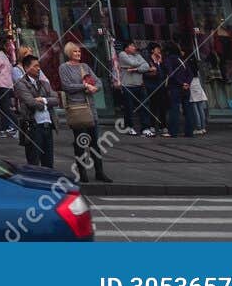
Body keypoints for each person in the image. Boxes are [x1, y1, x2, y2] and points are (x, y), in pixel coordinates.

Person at [58, 41, 112, 183]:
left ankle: (99, 172)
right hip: (77, 108)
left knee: (95, 142)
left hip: (90, 108)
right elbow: (67, 86)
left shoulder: (85, 66)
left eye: (79, 52)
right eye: (75, 52)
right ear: (69, 53)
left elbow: (98, 82)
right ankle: (82, 172)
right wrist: (85, 86)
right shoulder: (64, 68)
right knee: (81, 142)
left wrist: (95, 88)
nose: (78, 54)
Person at [12, 54, 56, 169]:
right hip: (33, 126)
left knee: (49, 162)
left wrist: (43, 100)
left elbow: (56, 100)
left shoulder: (44, 83)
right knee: (34, 162)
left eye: (39, 65)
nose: (38, 68)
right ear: (26, 68)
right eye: (35, 66)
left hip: (48, 125)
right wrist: (46, 104)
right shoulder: (21, 83)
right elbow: (30, 102)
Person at [162, 42, 195, 138]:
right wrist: (187, 83)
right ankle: (189, 132)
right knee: (188, 109)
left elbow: (171, 74)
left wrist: (181, 83)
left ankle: (173, 131)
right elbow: (191, 73)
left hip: (175, 87)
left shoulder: (168, 59)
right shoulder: (182, 59)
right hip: (186, 88)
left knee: (174, 109)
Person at [117, 41, 150, 134]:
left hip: (139, 85)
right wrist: (139, 64)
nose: (134, 47)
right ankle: (129, 127)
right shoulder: (122, 54)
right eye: (131, 45)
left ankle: (145, 128)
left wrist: (136, 69)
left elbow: (146, 66)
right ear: (126, 48)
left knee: (144, 107)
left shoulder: (138, 55)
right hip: (128, 86)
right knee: (129, 108)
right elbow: (131, 62)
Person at [0, 36, 18, 137]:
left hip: (2, 84)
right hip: (8, 85)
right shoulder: (4, 56)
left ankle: (16, 125)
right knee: (4, 107)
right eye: (9, 45)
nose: (11, 47)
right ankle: (5, 127)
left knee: (4, 107)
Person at [143, 44, 168, 136]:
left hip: (161, 86)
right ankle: (152, 125)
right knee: (153, 106)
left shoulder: (161, 60)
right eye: (157, 49)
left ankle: (163, 126)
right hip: (152, 86)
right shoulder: (148, 60)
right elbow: (145, 73)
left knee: (162, 107)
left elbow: (165, 71)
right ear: (152, 50)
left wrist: (160, 62)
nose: (159, 51)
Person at [188, 70, 209, 136]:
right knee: (200, 107)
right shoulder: (197, 68)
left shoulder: (189, 65)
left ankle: (198, 127)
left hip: (192, 83)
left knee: (195, 108)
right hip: (197, 83)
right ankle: (203, 127)